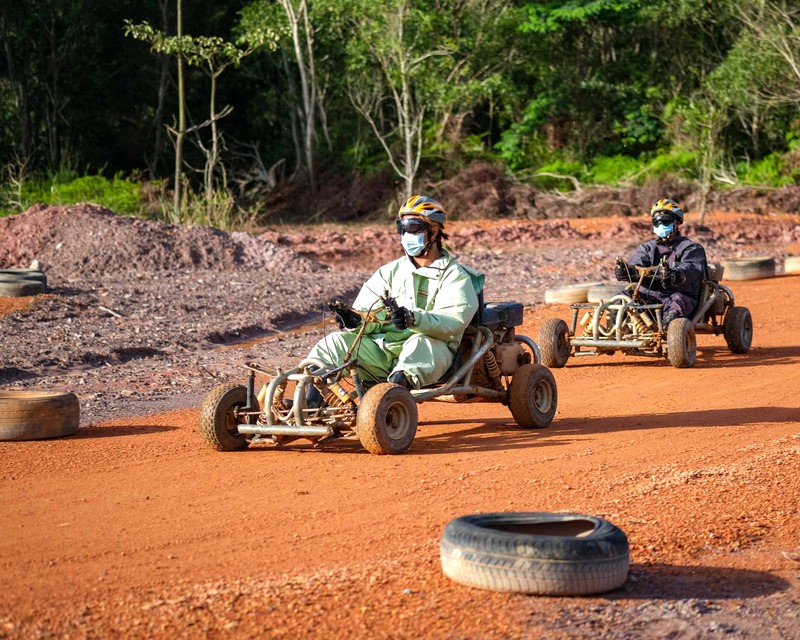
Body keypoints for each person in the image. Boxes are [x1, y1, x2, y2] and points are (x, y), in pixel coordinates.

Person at [305, 195, 483, 394]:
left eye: (412, 226)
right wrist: (356, 320)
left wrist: (413, 319)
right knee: (333, 343)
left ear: (433, 230)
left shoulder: (455, 276)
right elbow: (369, 311)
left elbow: (453, 322)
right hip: (383, 350)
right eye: (402, 227)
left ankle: (391, 400)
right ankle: (307, 403)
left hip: (431, 352)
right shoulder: (388, 272)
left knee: (419, 343)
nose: (406, 234)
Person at [614, 198, 707, 327]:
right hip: (648, 297)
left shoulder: (691, 248)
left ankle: (667, 333)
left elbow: (691, 269)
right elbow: (637, 266)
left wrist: (675, 275)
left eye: (665, 220)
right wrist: (627, 272)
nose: (661, 224)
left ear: (677, 222)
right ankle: (615, 331)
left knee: (677, 303)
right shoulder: (646, 248)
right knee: (622, 298)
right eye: (657, 221)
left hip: (677, 297)